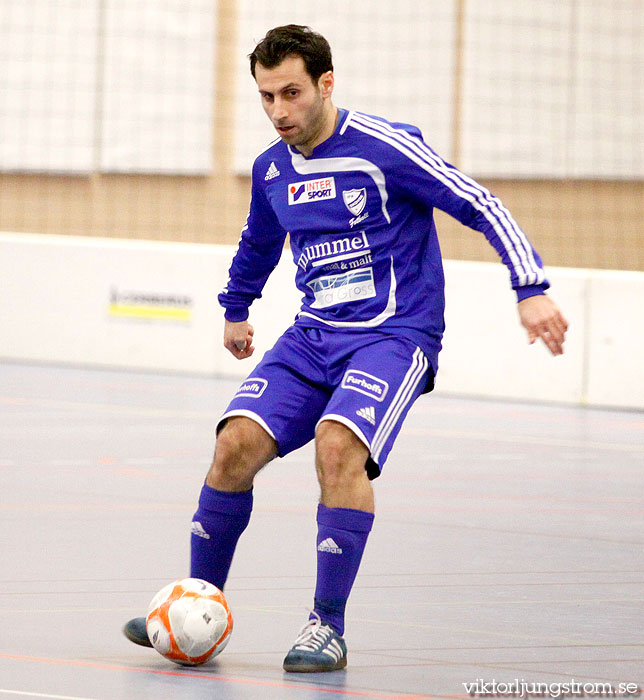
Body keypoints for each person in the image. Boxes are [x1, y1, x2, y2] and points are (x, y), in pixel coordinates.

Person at [124, 24, 568, 672]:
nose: (278, 111)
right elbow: (257, 242)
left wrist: (530, 286)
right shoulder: (273, 168)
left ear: (326, 84)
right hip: (313, 335)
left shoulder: (386, 147)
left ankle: (325, 626)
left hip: (395, 332)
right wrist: (235, 308)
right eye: (266, 97)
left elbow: (478, 202)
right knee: (233, 445)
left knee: (339, 446)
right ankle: (198, 602)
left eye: (292, 93)